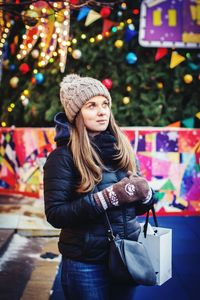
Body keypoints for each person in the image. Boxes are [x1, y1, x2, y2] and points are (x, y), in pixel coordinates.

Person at [43, 74, 155, 300]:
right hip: (85, 263)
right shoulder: (63, 157)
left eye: (105, 104)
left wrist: (146, 195)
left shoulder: (122, 148)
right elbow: (56, 214)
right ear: (76, 114)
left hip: (127, 255)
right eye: (91, 106)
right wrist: (107, 198)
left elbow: (138, 207)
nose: (102, 111)